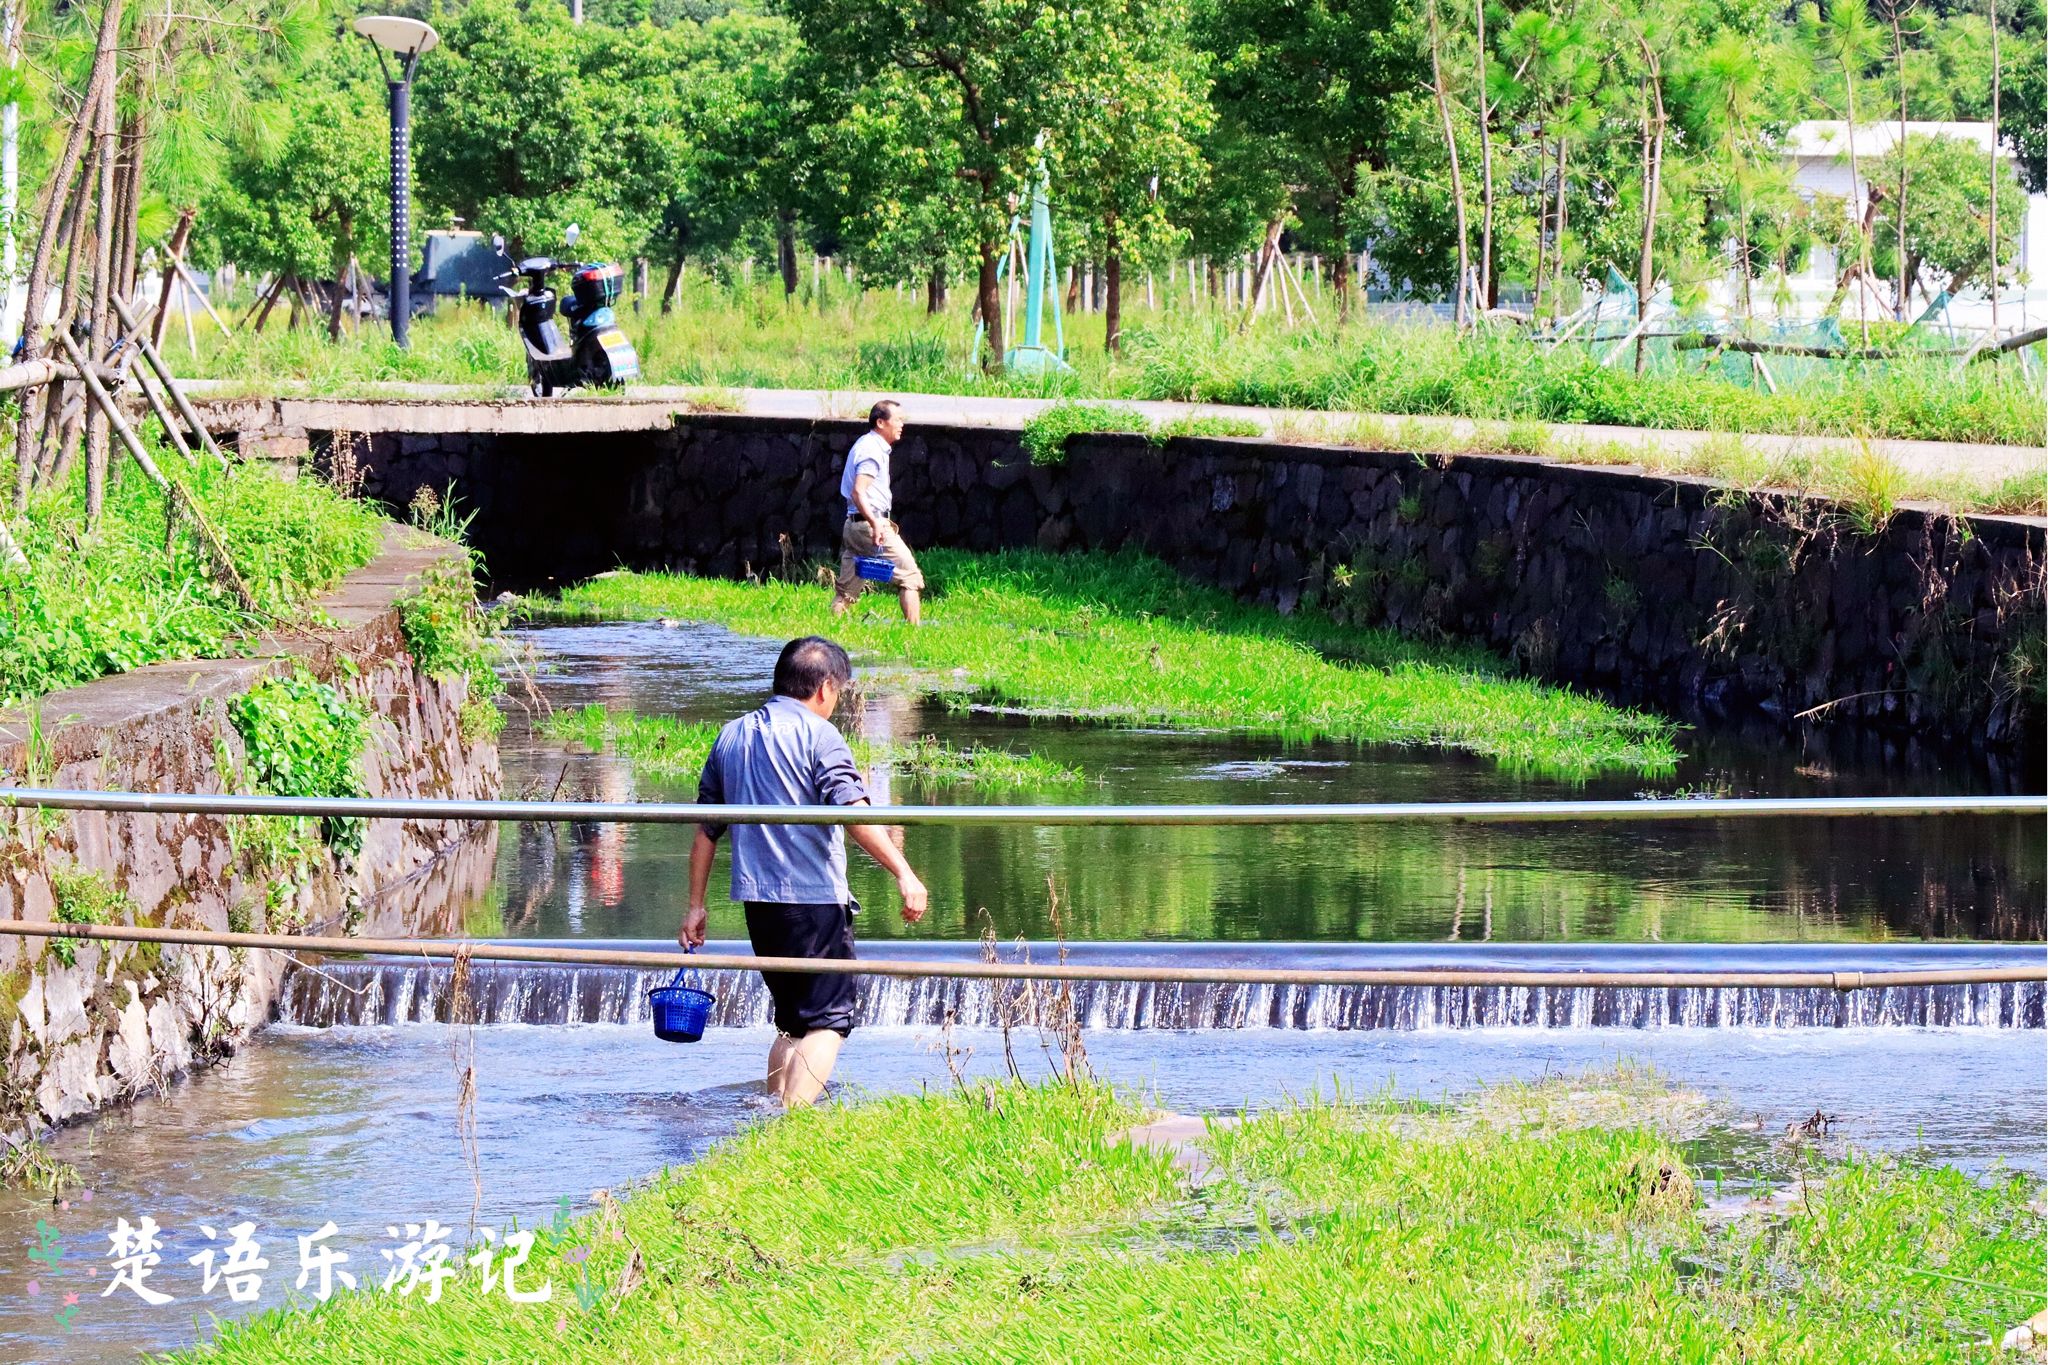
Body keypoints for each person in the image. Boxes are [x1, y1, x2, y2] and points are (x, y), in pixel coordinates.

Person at [679, 635, 928, 1107]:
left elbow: (707, 830)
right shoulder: (820, 736)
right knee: (829, 1021)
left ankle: (772, 1112)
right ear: (825, 688)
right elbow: (854, 813)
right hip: (813, 900)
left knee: (792, 1022)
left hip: (758, 903)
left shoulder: (732, 735)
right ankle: (792, 1120)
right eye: (840, 692)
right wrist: (904, 872)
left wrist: (695, 905)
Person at [832, 399, 925, 625]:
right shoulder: (872, 450)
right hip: (868, 525)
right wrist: (875, 524)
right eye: (898, 420)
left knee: (846, 592)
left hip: (853, 525)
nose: (902, 424)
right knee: (910, 578)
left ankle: (832, 631)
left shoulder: (867, 444)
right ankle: (914, 633)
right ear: (881, 422)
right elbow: (858, 491)